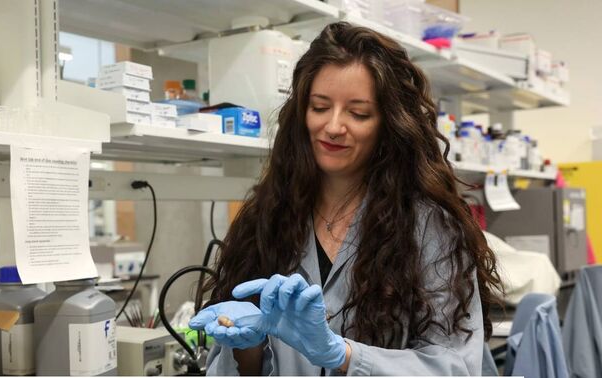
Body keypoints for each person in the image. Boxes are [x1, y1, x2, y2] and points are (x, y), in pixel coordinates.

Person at [189, 22, 503, 376]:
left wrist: (343, 355)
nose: (334, 126)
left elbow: (456, 367)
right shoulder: (265, 218)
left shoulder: (430, 226)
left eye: (358, 113)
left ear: (389, 123)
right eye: (320, 107)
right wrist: (245, 346)